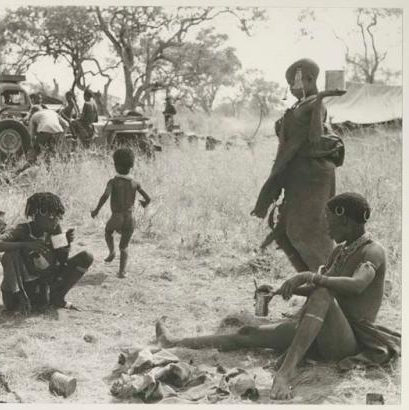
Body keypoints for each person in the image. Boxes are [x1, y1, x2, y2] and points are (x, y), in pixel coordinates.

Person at [156, 193, 400, 400]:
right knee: (246, 333)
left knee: (323, 292)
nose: (326, 227)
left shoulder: (373, 251)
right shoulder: (340, 251)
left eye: (330, 221)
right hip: (319, 330)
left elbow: (355, 285)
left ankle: (285, 373)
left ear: (345, 220)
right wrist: (283, 289)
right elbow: (319, 288)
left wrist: (310, 277)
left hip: (347, 342)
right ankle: (174, 342)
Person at [251, 58, 346, 273]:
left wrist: (321, 97)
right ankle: (314, 281)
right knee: (287, 232)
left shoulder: (315, 104)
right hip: (298, 176)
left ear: (309, 79)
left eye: (294, 81)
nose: (291, 86)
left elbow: (315, 138)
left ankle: (326, 283)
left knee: (308, 230)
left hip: (313, 177)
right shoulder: (300, 104)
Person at [0, 192, 94, 313]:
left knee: (86, 257)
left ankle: (58, 298)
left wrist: (66, 244)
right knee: (11, 253)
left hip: (47, 279)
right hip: (26, 284)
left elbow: (62, 261)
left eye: (58, 216)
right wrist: (25, 244)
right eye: (51, 216)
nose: (55, 220)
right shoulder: (23, 230)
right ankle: (23, 297)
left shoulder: (55, 229)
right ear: (36, 214)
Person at [91, 148, 151, 278]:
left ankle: (111, 252)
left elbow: (105, 196)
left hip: (116, 217)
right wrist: (144, 203)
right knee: (124, 246)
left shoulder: (113, 182)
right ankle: (122, 272)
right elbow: (148, 199)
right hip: (130, 218)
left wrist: (96, 210)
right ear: (132, 166)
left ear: (115, 165)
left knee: (108, 232)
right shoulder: (135, 183)